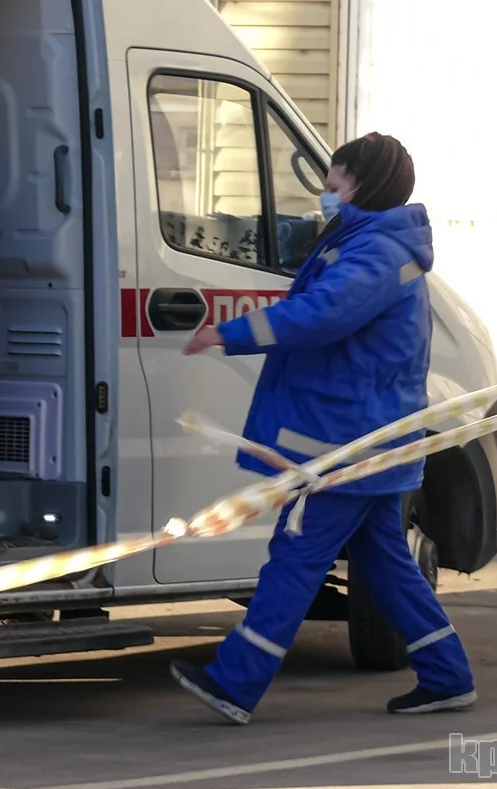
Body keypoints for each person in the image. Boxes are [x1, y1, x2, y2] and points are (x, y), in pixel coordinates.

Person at [170, 132, 476, 724]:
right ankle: (447, 675)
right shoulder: (370, 241)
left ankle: (235, 681)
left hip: (346, 444)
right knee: (384, 562)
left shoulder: (375, 253)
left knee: (296, 557)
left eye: (333, 180)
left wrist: (229, 332)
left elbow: (321, 313)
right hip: (366, 438)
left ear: (360, 184)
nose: (325, 190)